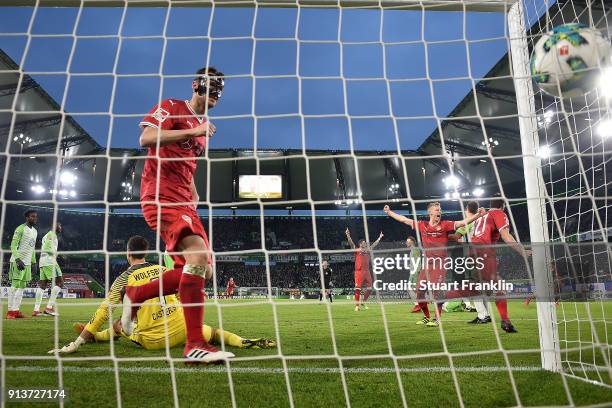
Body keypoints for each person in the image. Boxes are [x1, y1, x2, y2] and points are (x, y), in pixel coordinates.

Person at [120, 67, 234, 363]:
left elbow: (186, 163)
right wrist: (193, 130)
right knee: (196, 258)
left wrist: (194, 191)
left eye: (219, 92)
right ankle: (194, 345)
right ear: (196, 85)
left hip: (184, 200)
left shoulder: (204, 128)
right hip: (159, 196)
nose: (214, 95)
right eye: (210, 88)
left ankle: (136, 294)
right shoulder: (171, 106)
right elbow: (146, 138)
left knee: (203, 270)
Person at [49, 236, 274, 354]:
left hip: (155, 340)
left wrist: (76, 343)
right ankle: (244, 341)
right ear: (146, 252)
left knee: (119, 324)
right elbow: (189, 291)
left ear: (129, 254)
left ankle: (96, 337)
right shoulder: (165, 271)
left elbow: (102, 312)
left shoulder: (123, 279)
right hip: (183, 328)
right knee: (213, 332)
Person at [384, 203, 484, 326]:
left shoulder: (445, 224)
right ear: (430, 213)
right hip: (427, 264)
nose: (439, 211)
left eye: (440, 209)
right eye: (437, 209)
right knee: (419, 291)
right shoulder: (422, 225)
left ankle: (437, 319)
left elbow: (462, 223)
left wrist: (478, 215)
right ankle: (426, 317)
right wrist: (389, 212)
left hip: (440, 263)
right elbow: (404, 219)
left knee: (437, 291)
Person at [469, 199, 530, 333]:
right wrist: (522, 251)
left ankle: (495, 318)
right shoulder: (499, 213)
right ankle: (504, 321)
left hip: (473, 252)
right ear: (503, 206)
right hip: (484, 251)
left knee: (487, 288)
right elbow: (506, 236)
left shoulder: (482, 216)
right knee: (498, 286)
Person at [449, 202, 491, 324]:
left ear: (467, 209)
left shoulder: (469, 221)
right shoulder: (483, 219)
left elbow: (456, 237)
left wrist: (443, 235)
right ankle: (486, 314)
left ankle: (482, 316)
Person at [7, 210, 38, 319]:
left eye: (36, 217)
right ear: (27, 217)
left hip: (28, 263)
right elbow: (13, 246)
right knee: (14, 286)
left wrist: (34, 262)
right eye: (32, 217)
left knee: (22, 287)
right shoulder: (20, 229)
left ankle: (16, 311)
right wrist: (17, 259)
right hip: (18, 261)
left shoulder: (35, 231)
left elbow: (32, 248)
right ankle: (10, 311)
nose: (34, 218)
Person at [345, 228, 383, 312]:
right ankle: (357, 306)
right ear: (360, 244)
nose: (365, 243)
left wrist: (379, 238)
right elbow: (351, 243)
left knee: (370, 288)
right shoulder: (357, 250)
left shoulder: (367, 250)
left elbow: (374, 245)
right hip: (359, 272)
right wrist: (348, 236)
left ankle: (363, 301)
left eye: (365, 242)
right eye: (363, 242)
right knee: (357, 289)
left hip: (367, 272)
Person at [33, 222, 63, 317]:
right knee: (60, 283)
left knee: (43, 285)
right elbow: (46, 248)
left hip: (43, 260)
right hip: (49, 260)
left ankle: (36, 310)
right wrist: (56, 254)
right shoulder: (51, 234)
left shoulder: (47, 235)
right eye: (59, 226)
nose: (60, 227)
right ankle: (49, 308)